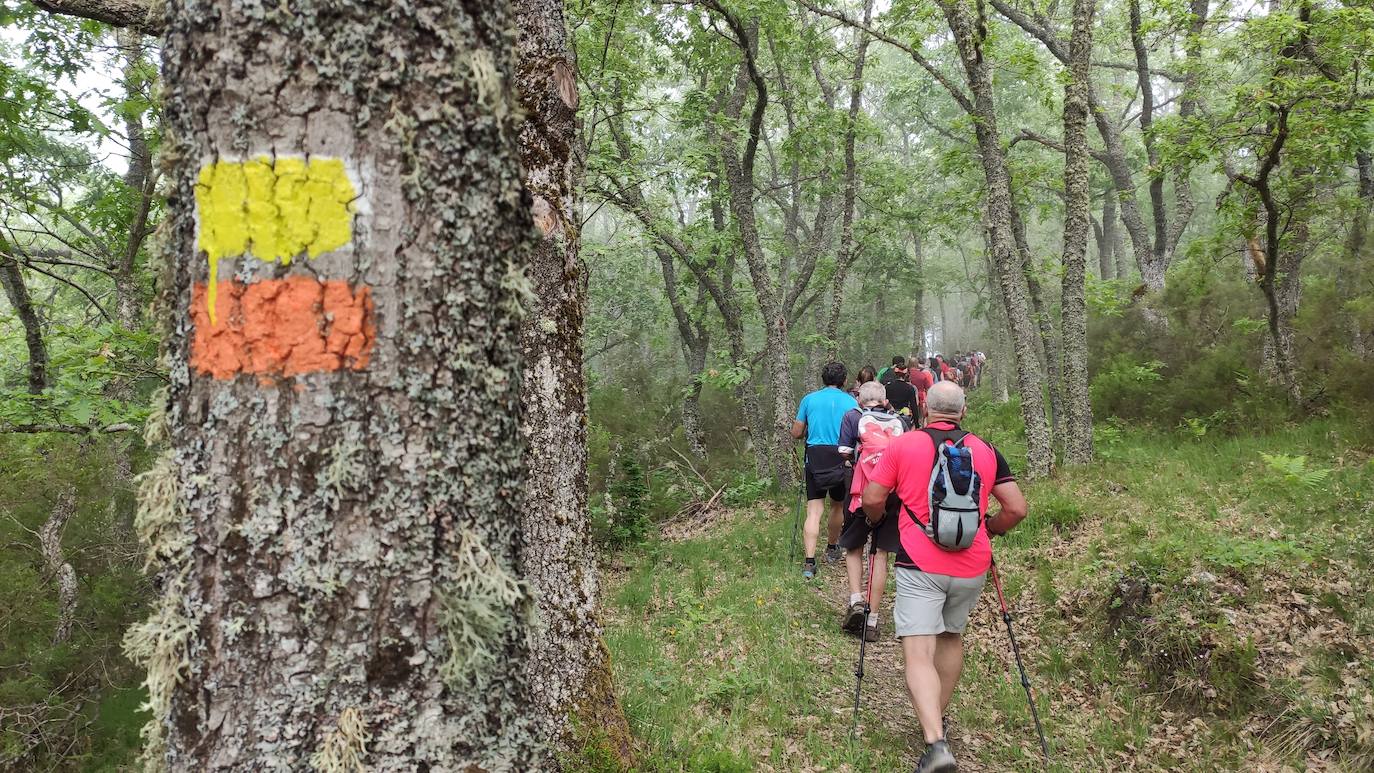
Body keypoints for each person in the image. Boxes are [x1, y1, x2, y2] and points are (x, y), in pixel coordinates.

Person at [860, 382, 1028, 773]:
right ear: (963, 411)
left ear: (925, 409)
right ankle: (939, 720)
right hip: (972, 566)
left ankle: (935, 743)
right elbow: (1016, 508)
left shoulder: (904, 445)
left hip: (920, 562)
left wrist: (878, 520)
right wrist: (992, 529)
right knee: (951, 637)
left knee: (918, 651)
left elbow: (871, 497)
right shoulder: (985, 450)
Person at [836, 381, 908, 641]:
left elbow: (843, 451)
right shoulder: (901, 422)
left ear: (859, 399)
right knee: (880, 554)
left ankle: (856, 599)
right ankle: (873, 620)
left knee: (853, 547)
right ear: (885, 399)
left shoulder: (854, 417)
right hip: (893, 494)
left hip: (862, 492)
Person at [791, 361, 858, 579]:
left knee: (814, 510)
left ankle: (809, 562)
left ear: (823, 378)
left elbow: (796, 432)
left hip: (815, 456)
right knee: (837, 505)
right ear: (844, 380)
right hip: (841, 456)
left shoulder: (809, 399)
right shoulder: (851, 402)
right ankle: (831, 548)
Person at [910, 357, 934, 425]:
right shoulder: (922, 375)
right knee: (920, 418)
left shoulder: (906, 374)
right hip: (920, 398)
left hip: (906, 398)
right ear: (917, 364)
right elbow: (928, 389)